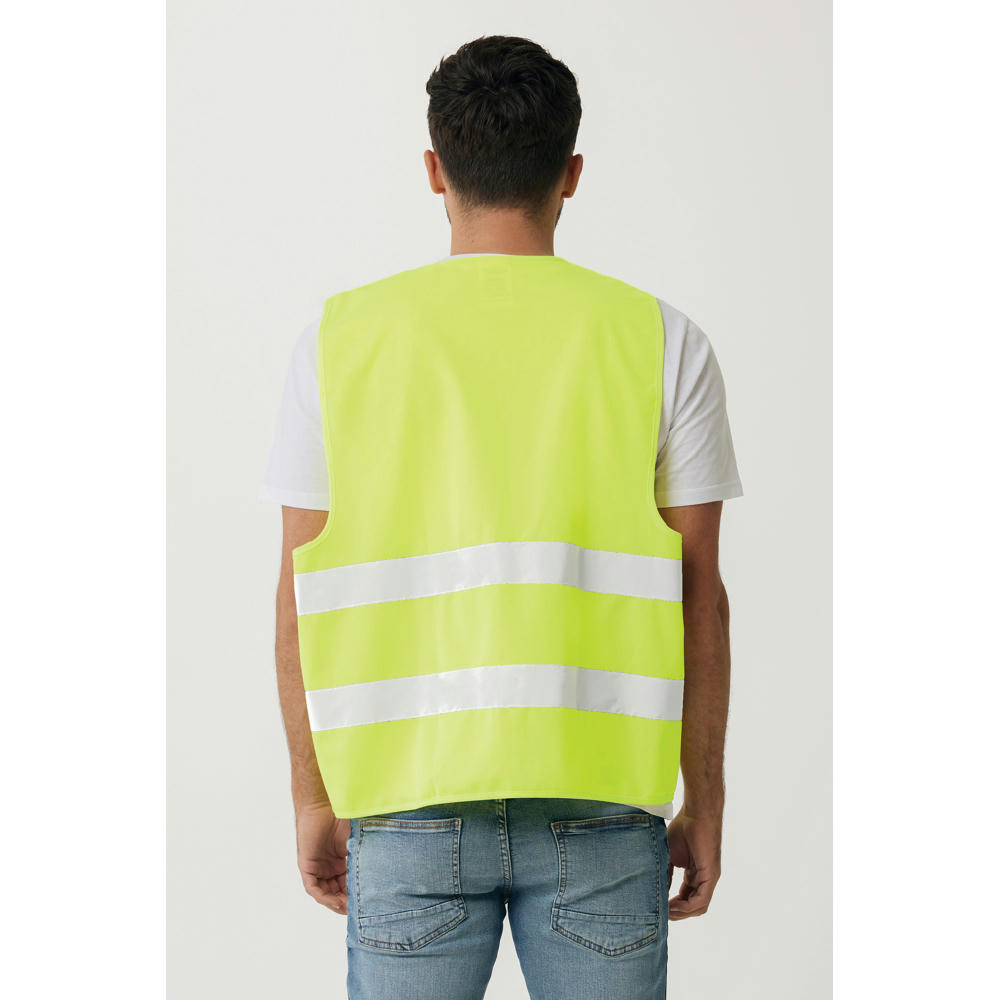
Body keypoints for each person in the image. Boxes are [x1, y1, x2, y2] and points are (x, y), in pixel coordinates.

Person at [261, 34, 743, 1000]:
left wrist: (313, 795)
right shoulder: (662, 341)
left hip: (406, 801)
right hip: (602, 805)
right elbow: (702, 601)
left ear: (435, 170)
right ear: (571, 174)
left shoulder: (339, 343)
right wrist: (706, 797)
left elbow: (297, 598)